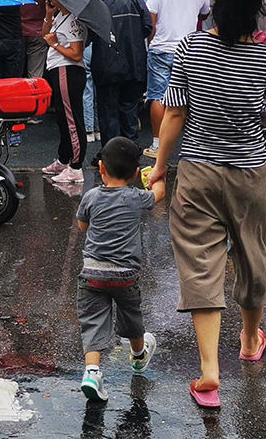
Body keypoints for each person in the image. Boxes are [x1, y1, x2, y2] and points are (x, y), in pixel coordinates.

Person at [147, 0, 266, 409]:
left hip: (198, 172)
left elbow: (173, 114)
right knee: (251, 255)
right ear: (255, 11)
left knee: (201, 265)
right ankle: (247, 341)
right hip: (249, 173)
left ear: (216, 5)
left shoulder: (191, 47)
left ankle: (209, 371)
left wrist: (160, 171)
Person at [76, 137, 166, 401]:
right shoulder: (136, 197)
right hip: (125, 275)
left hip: (92, 273)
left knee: (92, 321)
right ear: (136, 173)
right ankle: (138, 357)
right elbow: (159, 195)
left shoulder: (91, 197)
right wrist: (156, 178)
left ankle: (92, 372)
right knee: (131, 316)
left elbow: (83, 226)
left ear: (101, 168)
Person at [143, 0, 210, 158]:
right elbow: (204, 14)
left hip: (161, 48)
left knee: (157, 96)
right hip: (189, 50)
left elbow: (151, 21)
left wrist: (151, 43)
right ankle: (193, 143)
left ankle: (157, 144)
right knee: (190, 96)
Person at [90, 0, 153, 149]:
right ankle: (132, 150)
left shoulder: (95, 3)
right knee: (129, 109)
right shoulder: (135, 0)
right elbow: (147, 27)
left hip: (105, 65)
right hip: (134, 64)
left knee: (108, 112)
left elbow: (88, 35)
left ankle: (111, 153)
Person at [42, 0, 87, 183]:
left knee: (72, 119)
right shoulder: (61, 16)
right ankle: (63, 159)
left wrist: (55, 44)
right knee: (62, 117)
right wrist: (48, 15)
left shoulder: (74, 21)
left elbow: (76, 54)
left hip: (67, 71)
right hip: (58, 70)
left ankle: (76, 167)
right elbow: (45, 34)